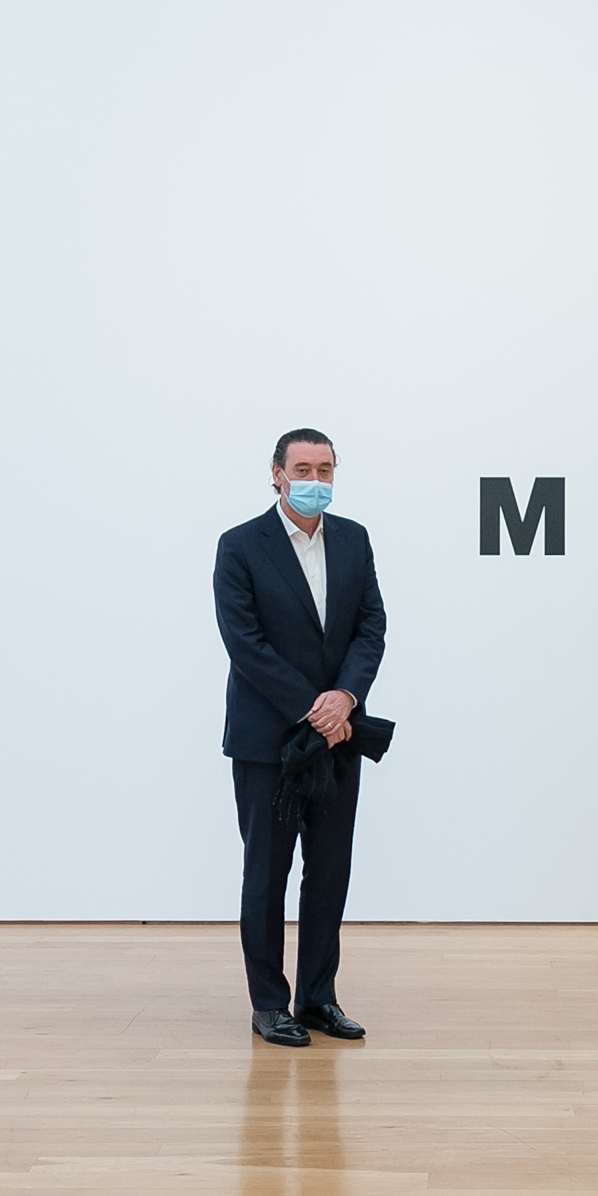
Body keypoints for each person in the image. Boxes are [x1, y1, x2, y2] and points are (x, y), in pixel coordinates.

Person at [213, 429, 386, 1047]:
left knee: (330, 870)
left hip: (340, 736)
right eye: (303, 469)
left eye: (326, 469)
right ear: (277, 474)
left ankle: (317, 997)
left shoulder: (354, 539)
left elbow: (370, 626)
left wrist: (346, 698)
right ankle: (269, 1004)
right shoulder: (240, 545)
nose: (315, 480)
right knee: (267, 874)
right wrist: (313, 707)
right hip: (269, 740)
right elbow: (245, 643)